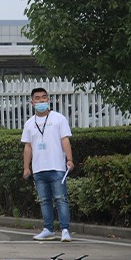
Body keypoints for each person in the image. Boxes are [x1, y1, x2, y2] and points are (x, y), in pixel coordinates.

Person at [21, 87, 74, 242]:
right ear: (32, 102)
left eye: (44, 97)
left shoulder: (59, 119)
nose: (41, 101)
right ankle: (48, 229)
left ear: (48, 99)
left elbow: (65, 140)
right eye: (37, 98)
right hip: (39, 169)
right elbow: (28, 146)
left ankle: (65, 230)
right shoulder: (30, 123)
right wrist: (26, 167)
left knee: (61, 198)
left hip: (57, 166)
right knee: (44, 200)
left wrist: (69, 159)